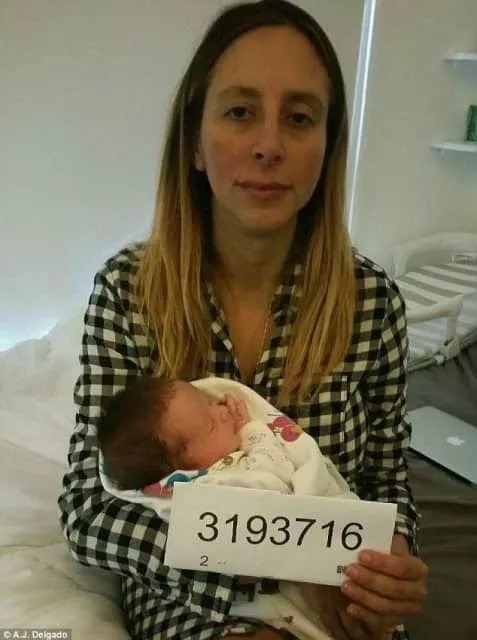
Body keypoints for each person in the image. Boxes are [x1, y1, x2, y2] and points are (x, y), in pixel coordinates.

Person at [58, 1, 429, 639]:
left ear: (327, 148)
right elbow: (88, 511)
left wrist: (393, 562)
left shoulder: (372, 302)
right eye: (239, 112)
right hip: (187, 599)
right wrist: (255, 577)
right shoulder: (128, 291)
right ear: (194, 144)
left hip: (340, 606)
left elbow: (387, 481)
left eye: (299, 118)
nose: (269, 146)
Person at [97, 376, 358, 504]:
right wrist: (251, 429)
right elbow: (277, 484)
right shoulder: (217, 483)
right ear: (182, 469)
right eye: (211, 425)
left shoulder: (215, 459)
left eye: (209, 402)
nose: (222, 410)